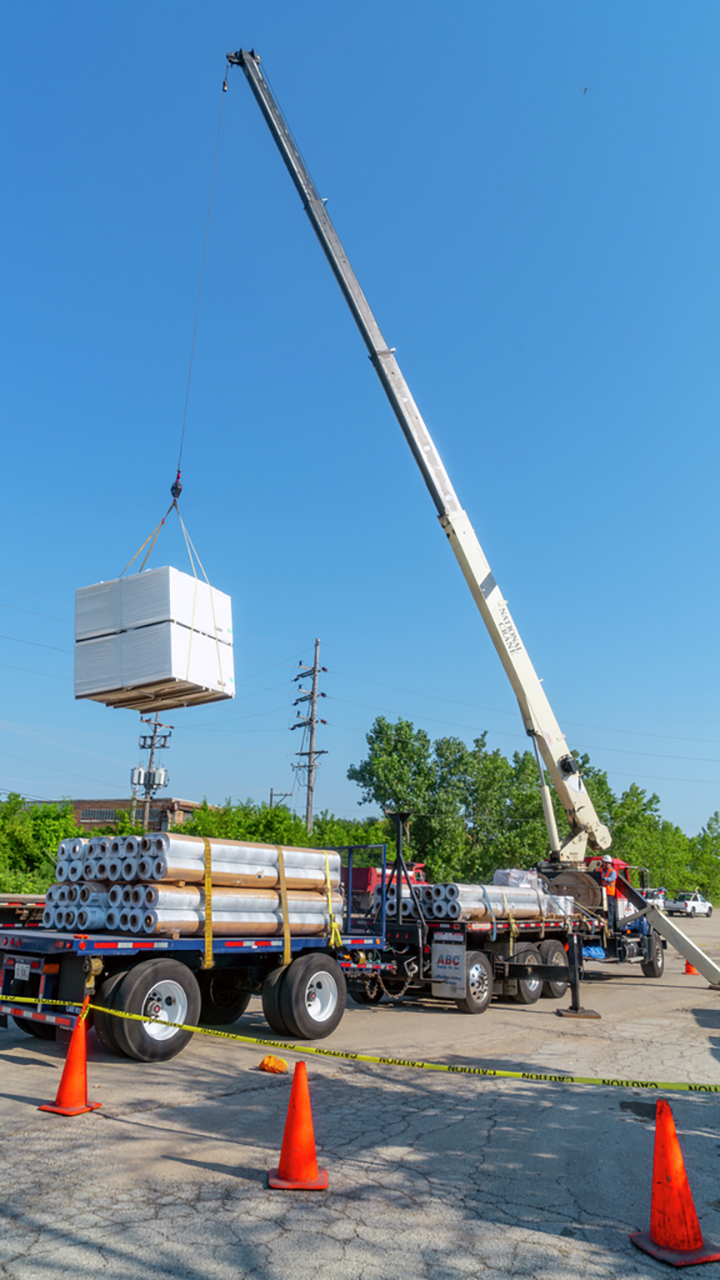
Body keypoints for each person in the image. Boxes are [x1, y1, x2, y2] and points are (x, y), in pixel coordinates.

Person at [601, 854, 618, 930]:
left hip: (609, 894)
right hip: (601, 893)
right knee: (600, 910)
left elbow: (611, 879)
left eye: (609, 863)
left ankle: (610, 927)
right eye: (606, 862)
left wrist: (603, 878)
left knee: (610, 911)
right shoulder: (599, 870)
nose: (608, 864)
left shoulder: (612, 871)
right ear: (603, 862)